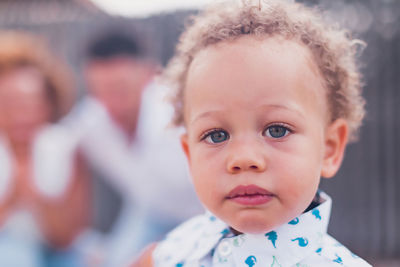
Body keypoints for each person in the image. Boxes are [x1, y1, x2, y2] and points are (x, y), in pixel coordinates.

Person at [135, 0, 371, 266]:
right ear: (189, 155)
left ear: (329, 148)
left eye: (277, 130)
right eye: (216, 135)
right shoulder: (180, 246)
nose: (244, 158)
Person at [64, 31, 203, 266]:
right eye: (100, 90)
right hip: (148, 213)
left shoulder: (183, 114)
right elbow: (54, 145)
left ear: (150, 75)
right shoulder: (91, 120)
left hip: (204, 216)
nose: (110, 102)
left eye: (120, 88)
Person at [0, 31, 90, 266]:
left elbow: (67, 238)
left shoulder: (66, 149)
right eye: (8, 103)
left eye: (30, 103)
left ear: (49, 104)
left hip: (57, 251)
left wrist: (34, 193)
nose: (20, 114)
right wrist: (11, 197)